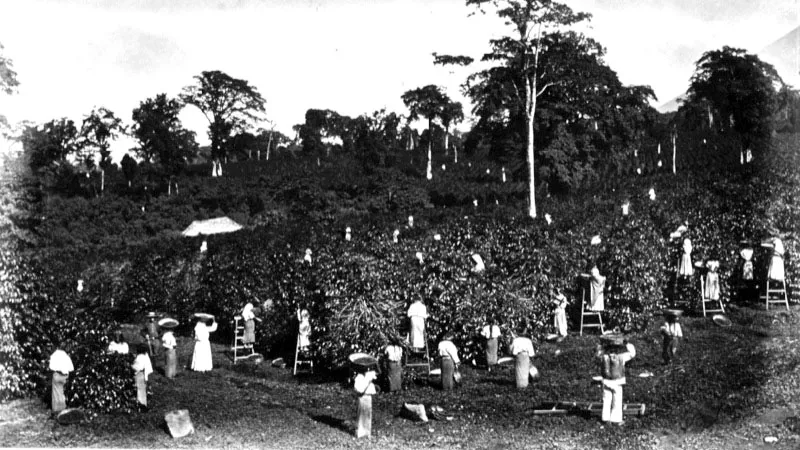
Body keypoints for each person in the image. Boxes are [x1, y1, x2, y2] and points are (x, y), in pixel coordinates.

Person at [596, 335, 636, 424]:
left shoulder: (603, 356)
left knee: (606, 400)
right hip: (617, 381)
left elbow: (598, 352)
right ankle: (615, 419)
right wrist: (627, 343)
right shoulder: (621, 357)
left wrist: (601, 344)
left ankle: (605, 418)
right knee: (617, 401)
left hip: (606, 381)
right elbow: (632, 353)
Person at [48, 346, 74, 413]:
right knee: (61, 392)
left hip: (57, 376)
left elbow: (51, 367)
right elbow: (70, 369)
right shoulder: (65, 356)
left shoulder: (55, 355)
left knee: (55, 393)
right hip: (64, 377)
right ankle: (62, 408)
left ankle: (56, 409)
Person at [354, 367, 378, 438]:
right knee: (361, 414)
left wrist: (370, 378)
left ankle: (367, 432)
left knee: (368, 414)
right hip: (362, 396)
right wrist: (367, 380)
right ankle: (360, 432)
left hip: (368, 396)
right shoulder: (359, 377)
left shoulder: (369, 375)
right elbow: (359, 389)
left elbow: (371, 387)